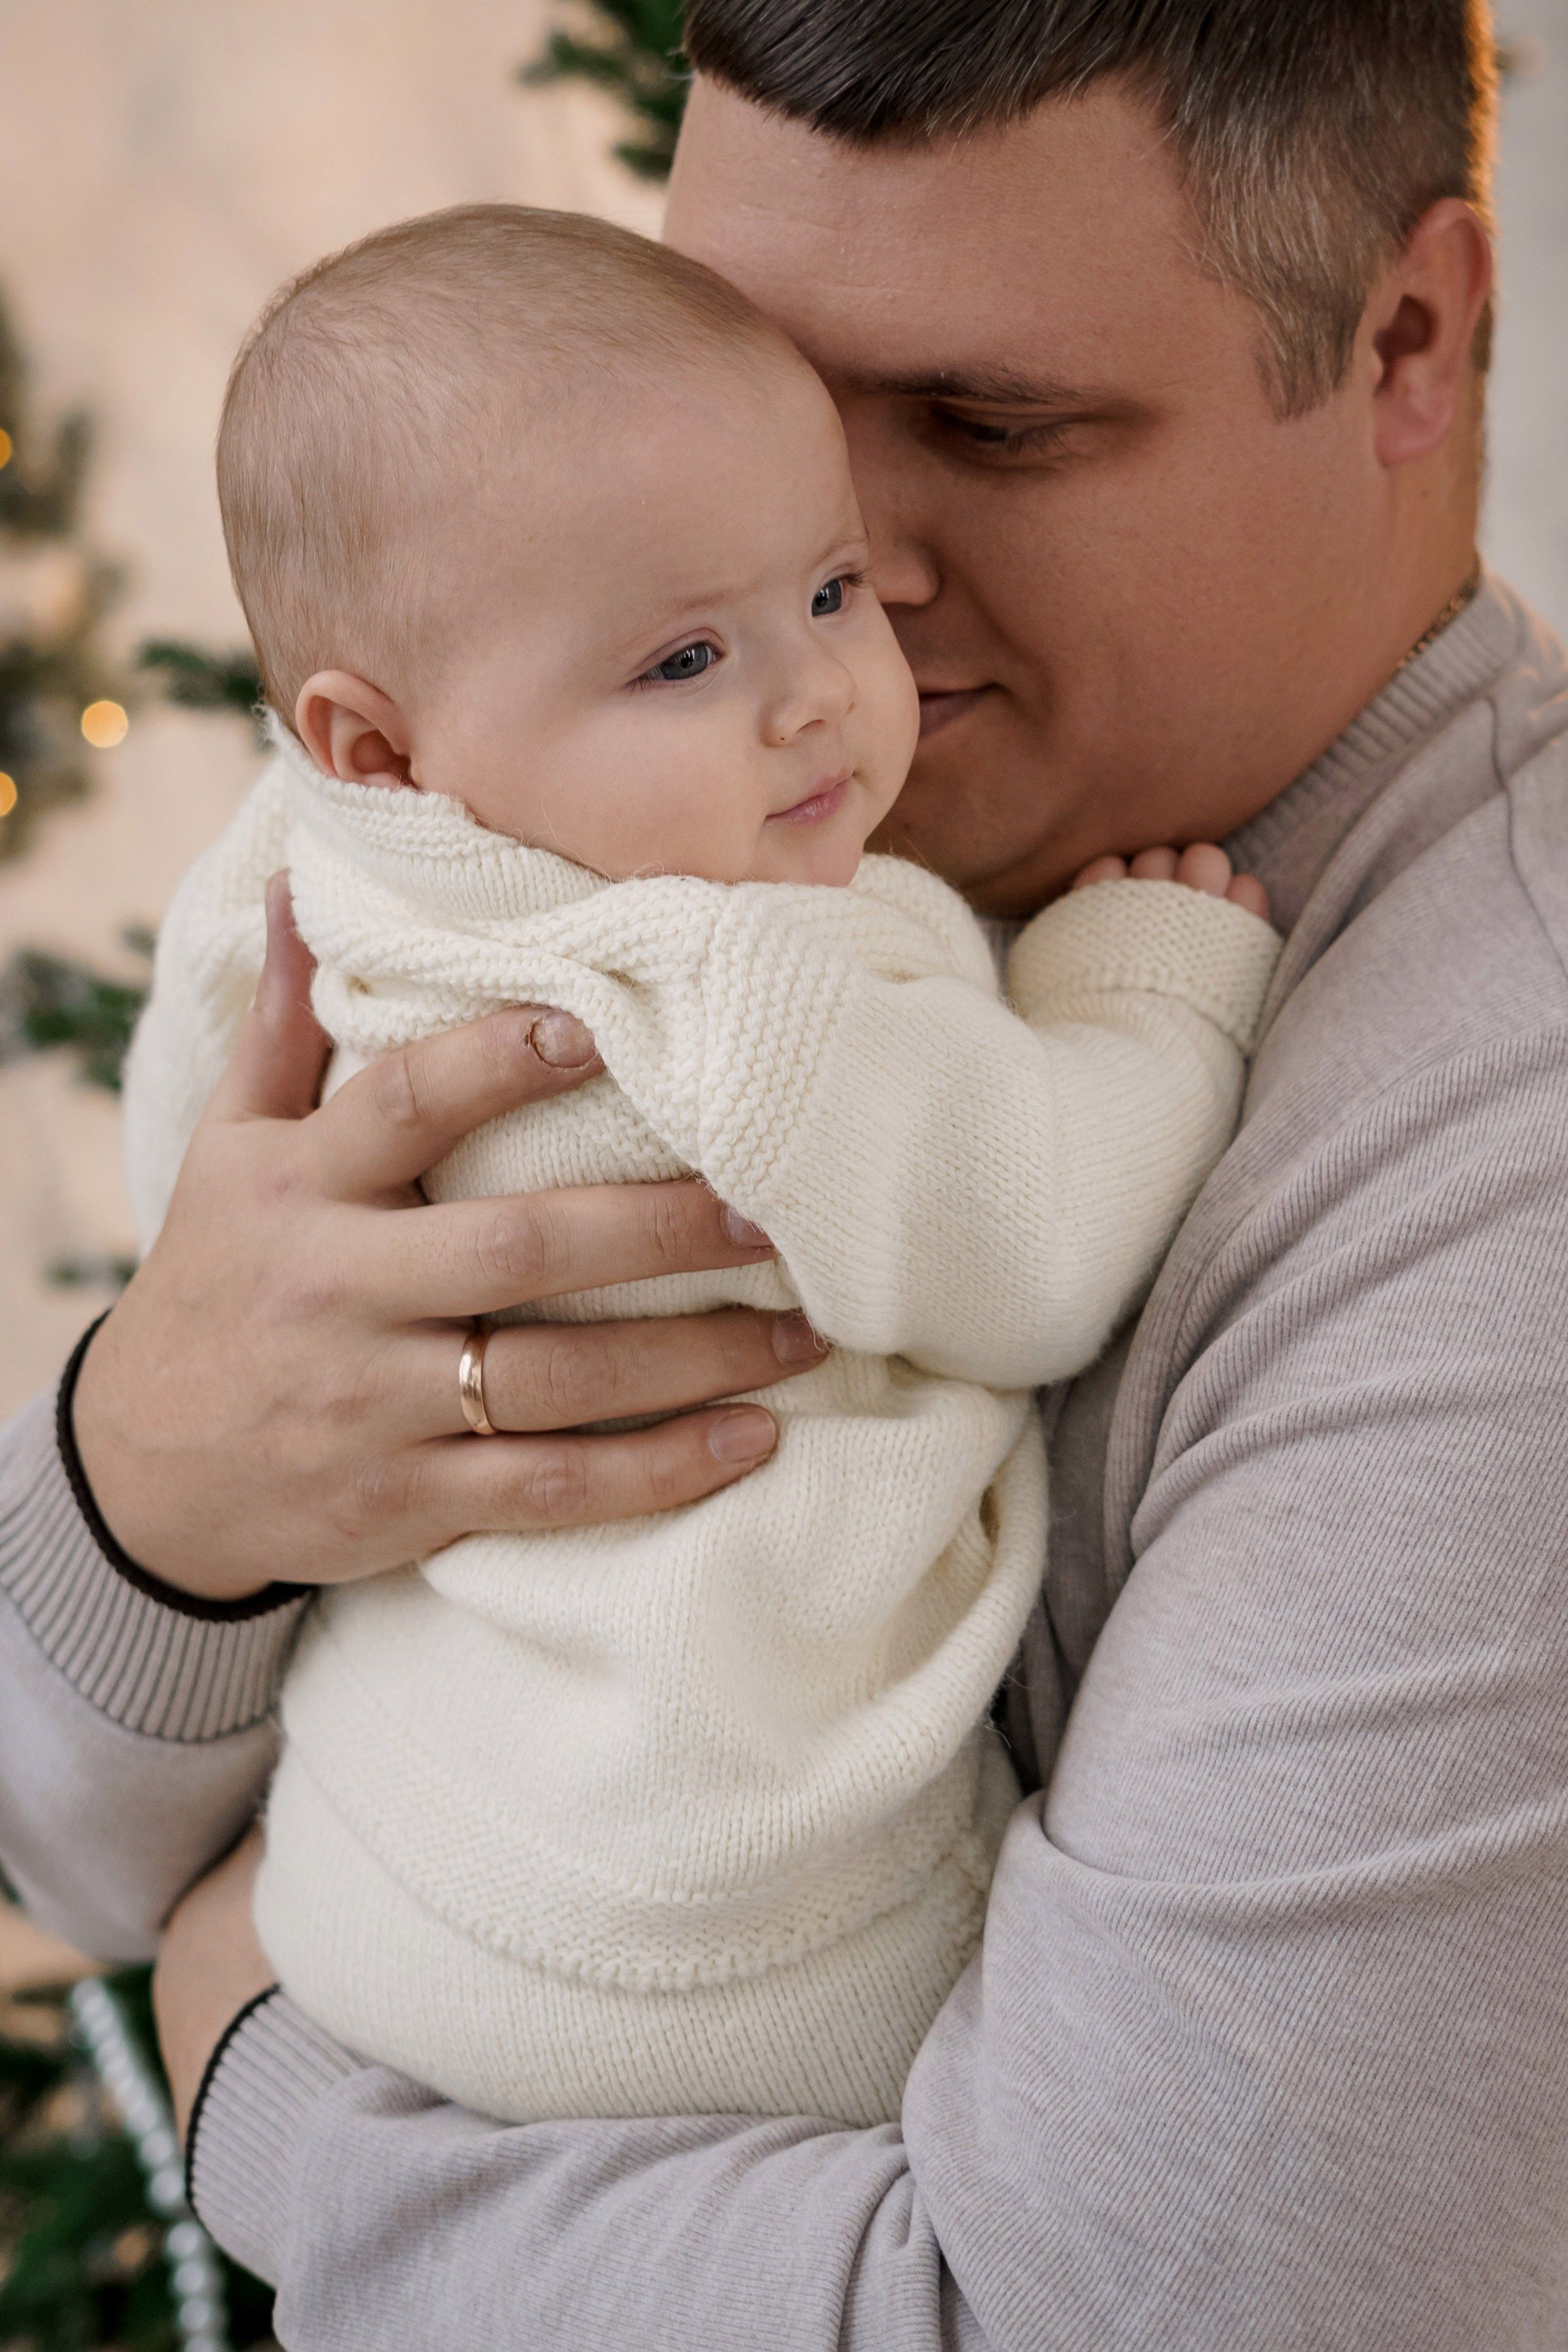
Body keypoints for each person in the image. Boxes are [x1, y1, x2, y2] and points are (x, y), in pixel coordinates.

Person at [3, 0, 1566, 2343]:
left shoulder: (1497, 1166)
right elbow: (54, 1830)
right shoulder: (597, 875)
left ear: (1411, 337)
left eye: (993, 426)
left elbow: (1052, 2321)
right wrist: (153, 1487)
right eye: (758, 383)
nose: (826, 559)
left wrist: (270, 2087)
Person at [124, 198, 1277, 2130]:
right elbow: (1041, 1230)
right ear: (384, 742)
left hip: (373, 1858)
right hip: (738, 1940)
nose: (815, 691)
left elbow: (199, 1189)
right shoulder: (743, 987)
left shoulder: (281, 886)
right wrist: (1144, 984)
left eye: (826, 592)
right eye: (681, 658)